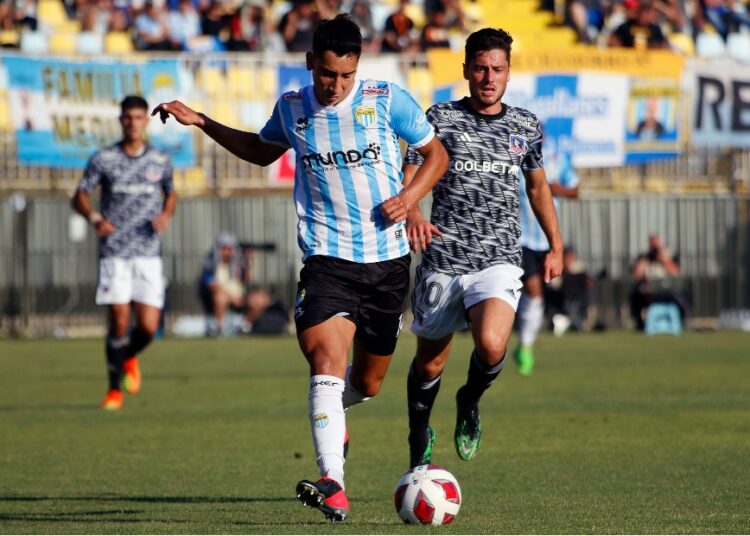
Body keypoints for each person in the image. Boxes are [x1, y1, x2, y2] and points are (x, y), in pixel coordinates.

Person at [152, 14, 448, 522]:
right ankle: (333, 480)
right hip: (326, 261)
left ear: (359, 68)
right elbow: (261, 152)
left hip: (387, 264)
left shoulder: (385, 100)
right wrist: (203, 121)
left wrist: (410, 195)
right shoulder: (292, 108)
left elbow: (435, 154)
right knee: (325, 365)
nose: (335, 87)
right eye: (327, 74)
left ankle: (334, 416)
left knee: (370, 383)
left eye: (345, 76)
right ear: (311, 63)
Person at [402, 27, 563, 469]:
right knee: (429, 365)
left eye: (497, 69)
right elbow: (411, 169)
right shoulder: (440, 117)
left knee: (491, 346)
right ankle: (419, 430)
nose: (488, 77)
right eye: (480, 68)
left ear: (509, 73)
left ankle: (469, 400)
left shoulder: (525, 125)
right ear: (466, 71)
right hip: (443, 257)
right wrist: (414, 213)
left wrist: (556, 243)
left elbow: (538, 187)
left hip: (498, 259)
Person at [71, 95, 176, 411]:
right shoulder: (104, 158)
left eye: (138, 117)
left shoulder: (160, 160)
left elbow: (171, 193)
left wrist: (166, 215)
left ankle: (128, 355)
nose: (132, 123)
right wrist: (94, 218)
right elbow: (80, 195)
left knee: (147, 326)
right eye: (127, 118)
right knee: (118, 321)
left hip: (147, 252)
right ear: (120, 120)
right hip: (115, 251)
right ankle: (113, 389)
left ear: (146, 121)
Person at [514, 146, 578, 375]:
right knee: (533, 291)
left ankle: (524, 344)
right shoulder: (512, 156)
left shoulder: (557, 158)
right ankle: (525, 346)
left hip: (548, 241)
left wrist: (558, 189)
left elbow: (576, 190)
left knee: (538, 293)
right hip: (521, 239)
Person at [630, 233, 684, 330]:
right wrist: (646, 259)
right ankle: (640, 323)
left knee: (682, 296)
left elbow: (677, 273)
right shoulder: (644, 257)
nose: (655, 248)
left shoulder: (669, 256)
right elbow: (636, 275)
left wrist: (663, 259)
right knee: (635, 294)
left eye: (656, 244)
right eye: (652, 244)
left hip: (668, 290)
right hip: (649, 292)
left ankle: (682, 320)